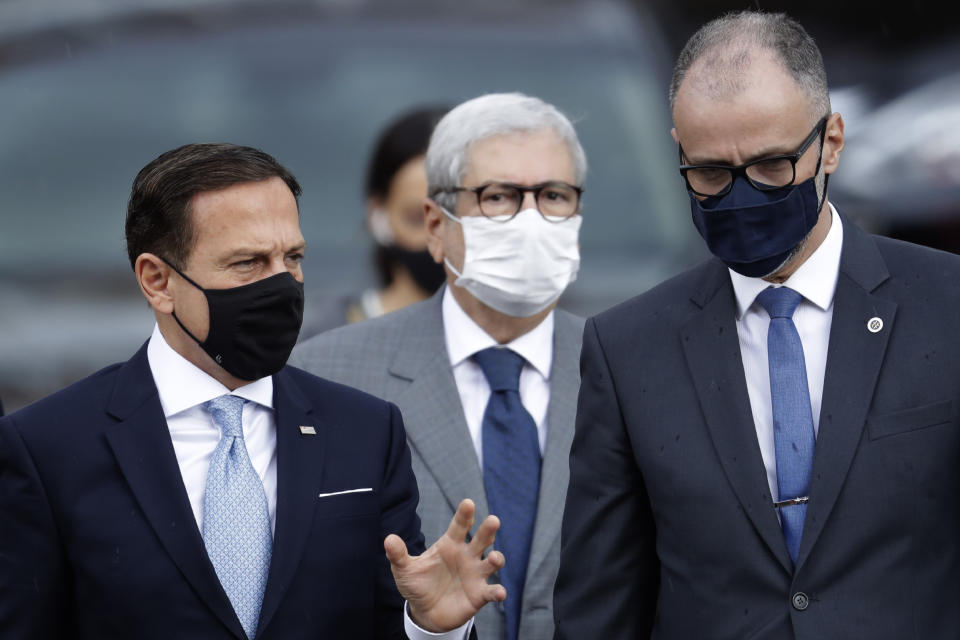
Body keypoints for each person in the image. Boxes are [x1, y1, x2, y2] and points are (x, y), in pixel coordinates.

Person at [555, 11, 960, 639]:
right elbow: (601, 606)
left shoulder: (947, 305)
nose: (743, 195)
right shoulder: (627, 349)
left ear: (831, 141)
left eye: (773, 166)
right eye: (712, 174)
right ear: (680, 153)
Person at [0, 143, 506, 639]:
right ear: (157, 281)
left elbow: (387, 614)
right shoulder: (46, 448)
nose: (282, 284)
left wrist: (430, 629)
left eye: (293, 257)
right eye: (248, 263)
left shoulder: (366, 431)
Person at [292, 93, 586, 640]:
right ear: (434, 225)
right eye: (497, 197)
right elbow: (307, 597)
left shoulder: (626, 364)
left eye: (553, 195)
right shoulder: (326, 375)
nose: (529, 221)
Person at [301, 107, 448, 338]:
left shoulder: (512, 336)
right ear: (378, 216)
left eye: (457, 215)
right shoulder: (324, 337)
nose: (440, 237)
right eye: (418, 219)